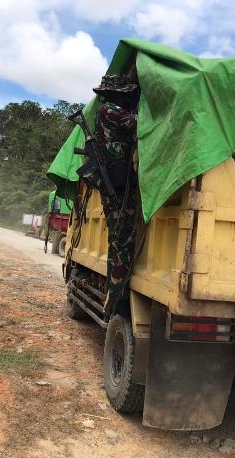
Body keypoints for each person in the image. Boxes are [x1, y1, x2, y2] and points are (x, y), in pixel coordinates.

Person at [92, 74, 140, 320]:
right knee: (122, 239)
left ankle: (116, 290)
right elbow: (138, 124)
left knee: (120, 238)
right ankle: (116, 294)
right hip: (117, 185)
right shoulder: (109, 111)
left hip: (117, 183)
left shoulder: (107, 110)